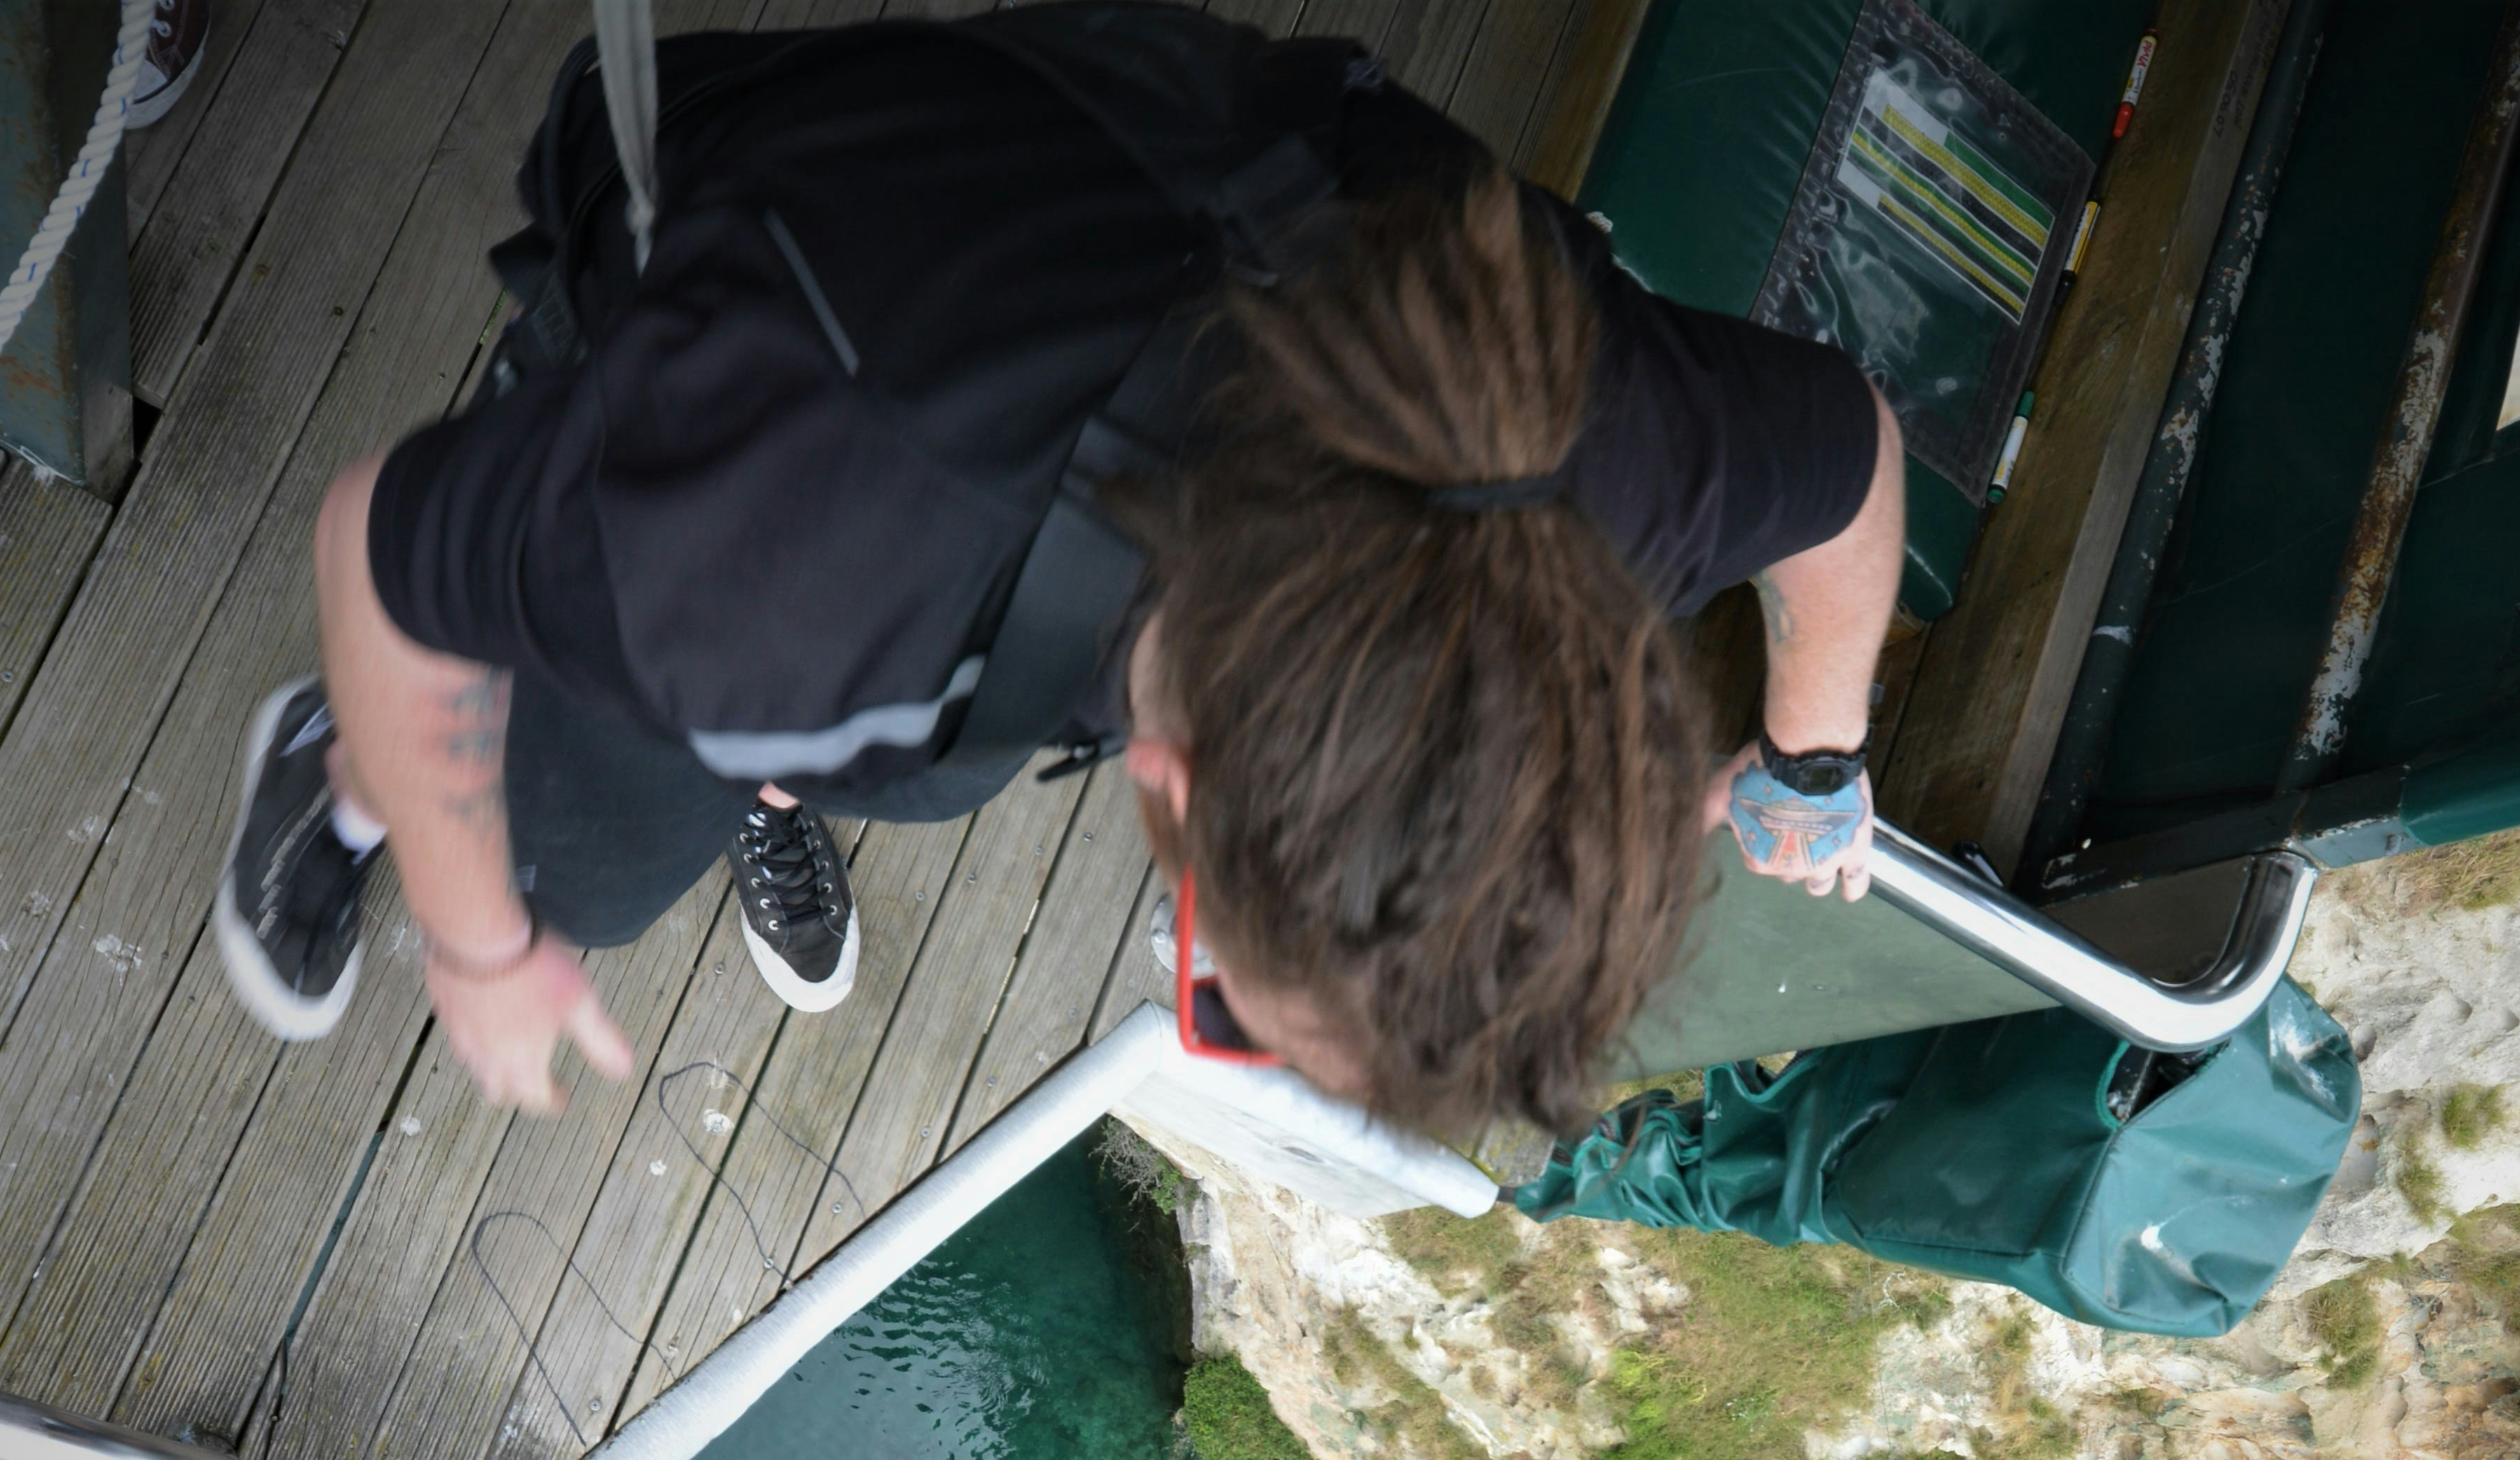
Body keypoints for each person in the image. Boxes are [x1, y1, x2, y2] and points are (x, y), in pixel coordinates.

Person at [212, 0, 1902, 1130]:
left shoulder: (1603, 470)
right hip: (745, 343)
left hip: (995, 233)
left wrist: (1817, 750)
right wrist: (479, 950)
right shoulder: (772, 576)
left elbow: (1849, 455)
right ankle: (340, 776)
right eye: (1234, 991)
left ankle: (770, 793)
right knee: (557, 864)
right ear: (1165, 779)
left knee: (814, 726)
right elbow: (385, 555)